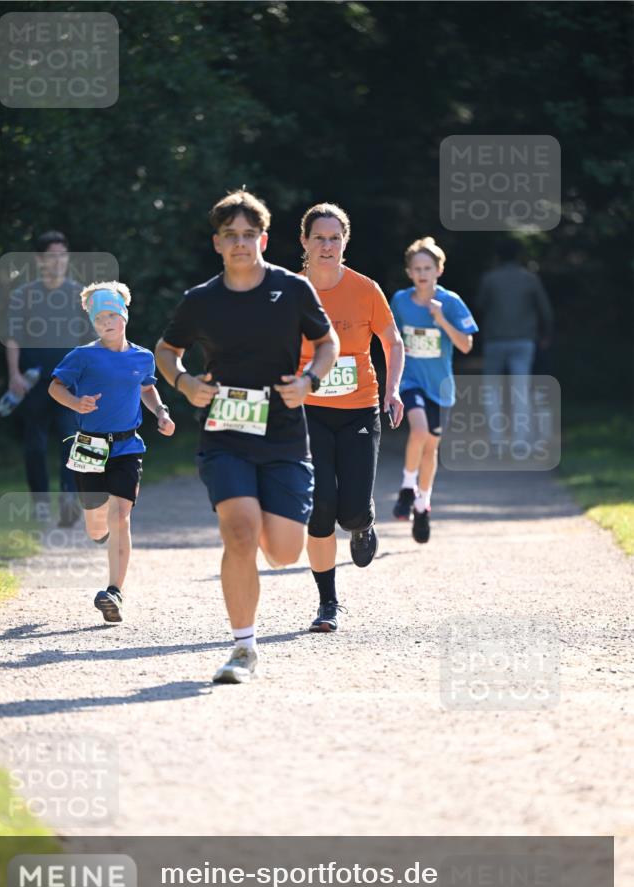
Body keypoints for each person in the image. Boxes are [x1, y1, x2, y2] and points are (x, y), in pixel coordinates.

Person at [155, 190, 339, 684]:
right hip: (225, 432)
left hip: (283, 434)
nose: (240, 243)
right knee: (239, 532)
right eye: (230, 235)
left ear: (264, 239)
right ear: (217, 243)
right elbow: (166, 350)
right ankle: (243, 648)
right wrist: (185, 383)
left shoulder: (292, 289)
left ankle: (258, 520)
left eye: (249, 234)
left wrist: (309, 381)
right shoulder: (201, 300)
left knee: (283, 552)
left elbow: (327, 343)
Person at [296, 202, 404, 633]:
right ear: (304, 242)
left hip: (359, 407)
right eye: (319, 238)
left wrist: (392, 390)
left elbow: (392, 341)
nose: (327, 246)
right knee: (320, 508)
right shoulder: (290, 291)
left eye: (335, 238)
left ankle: (363, 524)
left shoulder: (365, 289)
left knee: (352, 511)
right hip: (307, 412)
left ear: (345, 242)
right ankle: (328, 603)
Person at [49, 281, 175, 623]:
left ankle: (114, 592)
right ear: (93, 322)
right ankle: (100, 530)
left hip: (127, 446)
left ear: (124, 316)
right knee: (96, 527)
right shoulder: (82, 356)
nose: (107, 322)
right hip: (89, 446)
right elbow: (55, 387)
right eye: (100, 318)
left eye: (112, 315)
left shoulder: (142, 357)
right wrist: (76, 402)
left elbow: (147, 388)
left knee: (120, 515)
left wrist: (161, 413)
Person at [390, 237, 478, 543]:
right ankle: (407, 487)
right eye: (417, 269)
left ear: (439, 270)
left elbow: (466, 345)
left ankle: (422, 504)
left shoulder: (450, 302)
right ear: (409, 272)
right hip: (410, 380)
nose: (422, 273)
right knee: (419, 430)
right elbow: (391, 338)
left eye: (428, 268)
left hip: (440, 387)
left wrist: (441, 319)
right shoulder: (400, 301)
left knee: (430, 448)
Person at [6, 230, 92, 526]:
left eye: (62, 256)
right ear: (39, 260)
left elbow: (89, 340)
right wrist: (14, 375)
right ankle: (40, 503)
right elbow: (13, 338)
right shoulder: (23, 295)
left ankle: (69, 497)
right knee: (35, 445)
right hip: (33, 384)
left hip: (70, 385)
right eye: (51, 256)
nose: (58, 262)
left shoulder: (79, 295)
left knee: (71, 440)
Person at [475, 237, 553, 444]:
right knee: (521, 390)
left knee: (492, 390)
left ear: (498, 256)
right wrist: (546, 335)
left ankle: (496, 438)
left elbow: (480, 306)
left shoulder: (490, 279)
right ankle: (521, 439)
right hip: (524, 341)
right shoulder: (530, 279)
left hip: (494, 340)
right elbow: (545, 310)